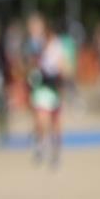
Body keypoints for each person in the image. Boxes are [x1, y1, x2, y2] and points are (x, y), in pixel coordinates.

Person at [24, 13, 67, 168]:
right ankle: (41, 143)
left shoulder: (56, 44)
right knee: (41, 119)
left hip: (54, 85)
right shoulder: (32, 45)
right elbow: (28, 64)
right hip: (40, 86)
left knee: (56, 123)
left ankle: (56, 153)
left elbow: (63, 66)